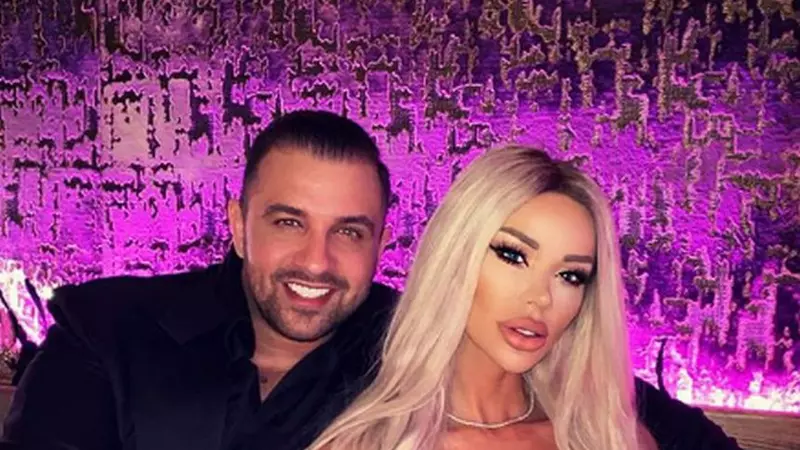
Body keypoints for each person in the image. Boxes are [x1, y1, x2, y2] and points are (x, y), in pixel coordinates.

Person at [1, 111, 739, 450]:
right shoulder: (111, 330)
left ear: (383, 242)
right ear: (239, 225)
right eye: (289, 222)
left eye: (349, 231)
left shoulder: (418, 335)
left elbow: (609, 397)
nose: (317, 261)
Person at [308, 145, 738, 450]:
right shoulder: (370, 442)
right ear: (456, 256)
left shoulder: (608, 435)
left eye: (570, 275)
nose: (540, 298)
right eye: (513, 256)